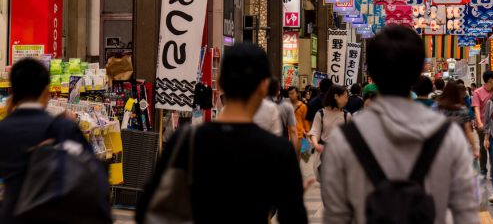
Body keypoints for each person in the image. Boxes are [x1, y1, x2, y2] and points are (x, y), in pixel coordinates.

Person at [320, 25, 478, 224]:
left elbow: (336, 217)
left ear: (371, 72)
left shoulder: (343, 141)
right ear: (420, 70)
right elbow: (466, 215)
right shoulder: (449, 137)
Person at [136, 43, 307, 223]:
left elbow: (146, 210)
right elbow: (294, 217)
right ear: (264, 86)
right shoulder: (279, 150)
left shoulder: (187, 140)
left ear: (220, 82)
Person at [0, 58, 111, 224]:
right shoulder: (63, 128)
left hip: (11, 215)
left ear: (13, 91)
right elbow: (93, 174)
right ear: (46, 93)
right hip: (54, 215)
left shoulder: (4, 129)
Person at [438, 81, 479, 158]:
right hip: (459, 143)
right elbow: (468, 131)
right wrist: (474, 148)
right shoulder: (462, 110)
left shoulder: (438, 108)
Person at [473, 69, 493, 178]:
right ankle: (483, 168)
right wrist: (479, 122)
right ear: (489, 80)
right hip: (483, 124)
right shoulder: (477, 92)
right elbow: (477, 108)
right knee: (483, 147)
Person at [270, 79, 299, 150]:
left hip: (266, 142)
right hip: (283, 141)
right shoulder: (287, 105)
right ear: (279, 91)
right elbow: (292, 131)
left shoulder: (259, 105)